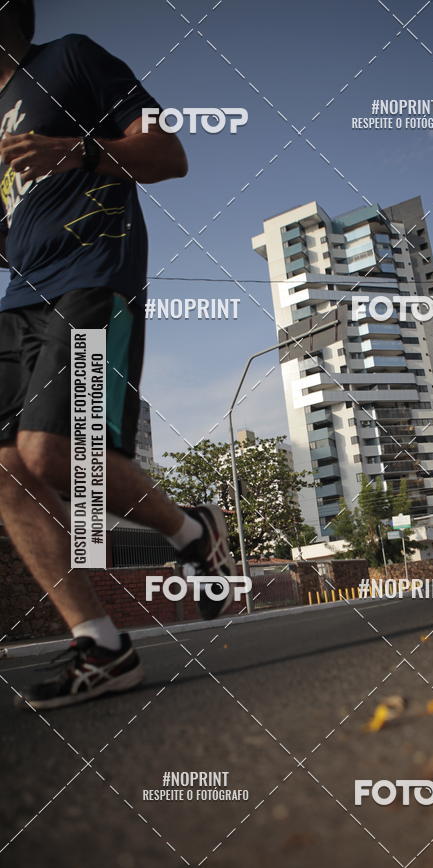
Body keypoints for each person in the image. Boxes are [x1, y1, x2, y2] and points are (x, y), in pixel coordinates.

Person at [0, 2, 235, 710]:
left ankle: (191, 531)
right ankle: (101, 645)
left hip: (93, 274)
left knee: (50, 454)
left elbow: (169, 156)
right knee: (6, 472)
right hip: (19, 298)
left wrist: (77, 150)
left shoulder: (70, 58)